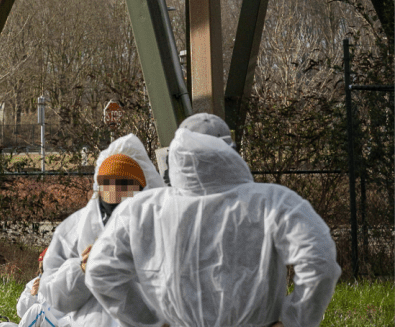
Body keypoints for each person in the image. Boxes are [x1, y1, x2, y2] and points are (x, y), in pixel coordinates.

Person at [84, 117, 340, 327]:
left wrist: (150, 322)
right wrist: (294, 320)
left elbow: (100, 271)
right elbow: (319, 260)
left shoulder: (141, 209)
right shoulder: (274, 201)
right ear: (231, 151)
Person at [36, 134, 163, 327]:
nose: (116, 191)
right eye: (109, 183)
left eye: (125, 184)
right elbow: (53, 297)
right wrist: (81, 270)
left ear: (143, 186)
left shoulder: (162, 224)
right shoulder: (75, 229)